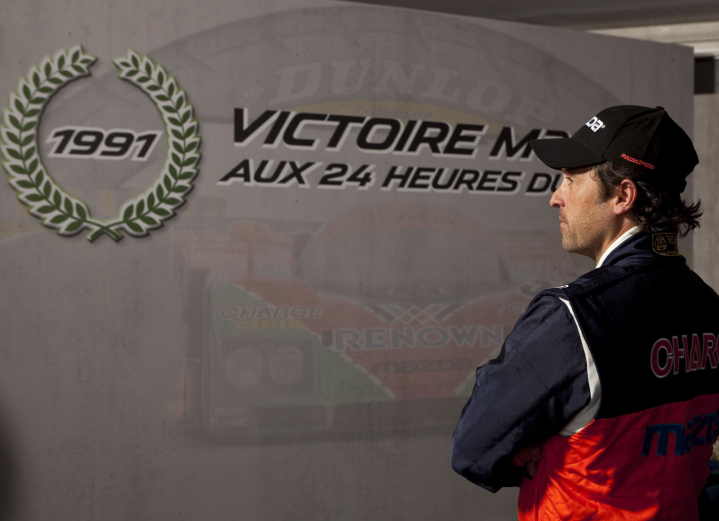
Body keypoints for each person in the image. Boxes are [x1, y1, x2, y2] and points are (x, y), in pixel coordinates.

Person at [450, 105, 719, 520]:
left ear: (622, 196)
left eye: (571, 180)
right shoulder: (709, 305)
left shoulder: (574, 316)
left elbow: (473, 448)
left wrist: (537, 447)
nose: (555, 197)